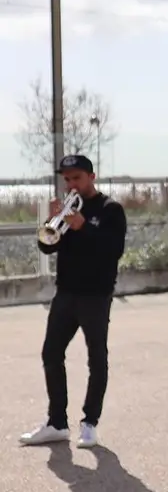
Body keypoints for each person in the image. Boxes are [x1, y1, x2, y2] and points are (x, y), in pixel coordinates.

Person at [19, 155, 128, 450]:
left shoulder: (110, 210)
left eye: (76, 178)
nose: (71, 184)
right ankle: (56, 423)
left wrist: (83, 226)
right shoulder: (66, 211)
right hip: (65, 293)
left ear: (92, 177)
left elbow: (113, 250)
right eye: (67, 179)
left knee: (96, 359)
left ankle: (89, 423)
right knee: (51, 354)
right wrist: (51, 222)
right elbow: (46, 245)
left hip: (96, 294)